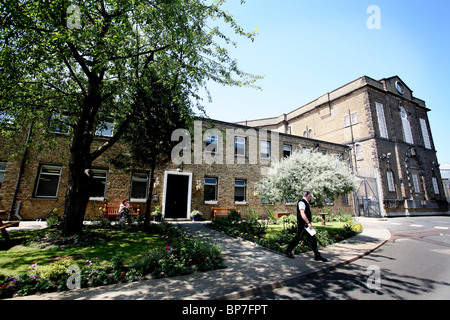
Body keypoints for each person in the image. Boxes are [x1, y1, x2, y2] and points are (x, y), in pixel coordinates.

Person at [285, 191, 328, 262]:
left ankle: (317, 255)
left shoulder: (305, 202)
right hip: (303, 224)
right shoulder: (301, 202)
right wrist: (308, 222)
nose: (311, 197)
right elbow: (302, 213)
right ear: (307, 196)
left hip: (307, 225)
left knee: (313, 239)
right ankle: (288, 251)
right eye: (310, 196)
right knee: (298, 238)